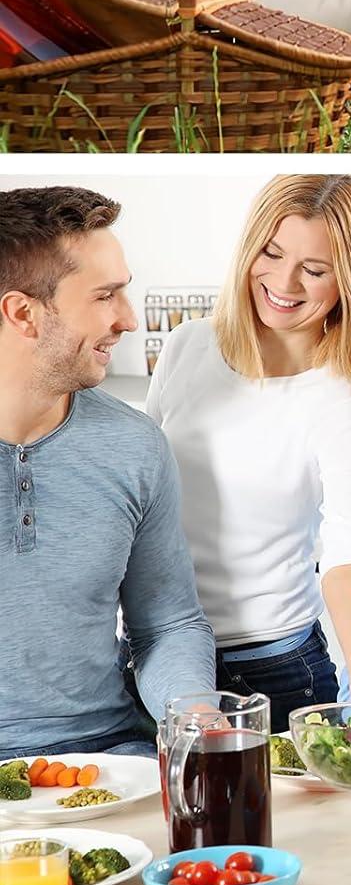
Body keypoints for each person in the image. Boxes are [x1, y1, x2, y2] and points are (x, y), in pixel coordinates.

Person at [146, 174, 351, 731]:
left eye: (314, 270)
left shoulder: (338, 399)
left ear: (350, 282)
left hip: (269, 669)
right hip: (157, 659)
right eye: (270, 253)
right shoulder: (187, 345)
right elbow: (140, 485)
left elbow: (346, 543)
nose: (283, 281)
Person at [0, 187, 215, 762]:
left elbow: (167, 623)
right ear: (23, 312)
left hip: (113, 759)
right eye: (105, 296)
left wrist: (195, 715)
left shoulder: (134, 445)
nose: (128, 318)